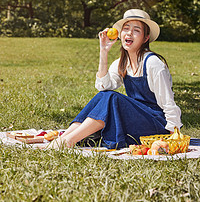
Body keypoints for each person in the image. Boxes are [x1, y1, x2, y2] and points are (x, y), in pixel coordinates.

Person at [47, 9, 182, 149]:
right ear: (120, 34)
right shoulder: (121, 63)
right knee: (104, 95)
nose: (129, 33)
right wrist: (103, 51)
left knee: (112, 97)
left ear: (145, 38)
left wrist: (173, 135)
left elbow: (168, 103)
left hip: (156, 125)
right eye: (126, 28)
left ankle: (68, 141)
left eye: (136, 30)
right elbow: (103, 87)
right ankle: (64, 138)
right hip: (134, 120)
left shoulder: (153, 64)